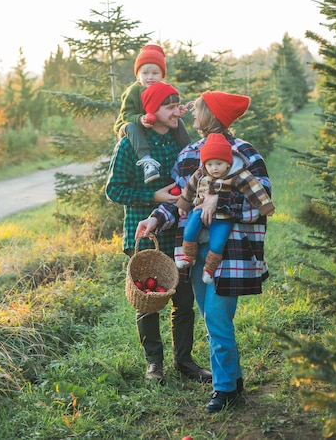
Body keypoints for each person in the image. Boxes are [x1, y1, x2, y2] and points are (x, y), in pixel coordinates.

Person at [135, 91, 273, 413]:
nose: (191, 114)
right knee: (214, 319)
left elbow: (261, 202)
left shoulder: (245, 153)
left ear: (213, 114)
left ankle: (223, 389)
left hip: (233, 252)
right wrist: (155, 218)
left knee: (216, 317)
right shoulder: (188, 155)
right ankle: (234, 381)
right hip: (195, 253)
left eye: (197, 109)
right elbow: (180, 203)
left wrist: (218, 199)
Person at [106, 81, 212, 386]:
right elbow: (114, 190)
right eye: (169, 105)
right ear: (152, 110)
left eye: (177, 104)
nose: (176, 110)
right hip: (143, 231)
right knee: (148, 299)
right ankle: (154, 363)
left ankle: (185, 361)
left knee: (184, 298)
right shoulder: (130, 143)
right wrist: (154, 197)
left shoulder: (181, 141)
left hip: (177, 232)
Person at [175, 132, 275, 285]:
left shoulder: (238, 175)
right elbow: (190, 187)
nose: (214, 169)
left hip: (223, 217)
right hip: (200, 210)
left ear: (228, 163)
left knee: (218, 243)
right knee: (189, 230)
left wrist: (265, 206)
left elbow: (255, 190)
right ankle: (189, 256)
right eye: (209, 164)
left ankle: (209, 268)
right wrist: (183, 204)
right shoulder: (201, 173)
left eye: (218, 164)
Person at [114, 43, 190, 183]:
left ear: (162, 75)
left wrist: (177, 111)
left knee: (179, 123)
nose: (150, 77)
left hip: (152, 123)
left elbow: (167, 107)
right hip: (129, 125)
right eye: (145, 73)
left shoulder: (162, 89)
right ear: (137, 75)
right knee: (132, 126)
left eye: (155, 73)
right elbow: (126, 114)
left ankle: (189, 151)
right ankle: (147, 161)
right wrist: (140, 118)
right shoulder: (133, 91)